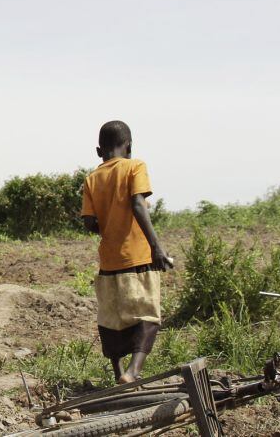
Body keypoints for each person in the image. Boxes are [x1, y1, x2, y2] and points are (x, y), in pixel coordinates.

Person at [80, 120, 173, 384]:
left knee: (112, 318)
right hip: (138, 257)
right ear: (129, 145)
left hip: (109, 261)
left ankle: (119, 373)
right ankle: (133, 372)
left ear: (99, 152)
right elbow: (138, 204)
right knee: (146, 314)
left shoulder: (91, 178)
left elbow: (89, 223)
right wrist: (156, 246)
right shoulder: (135, 167)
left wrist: (109, 224)